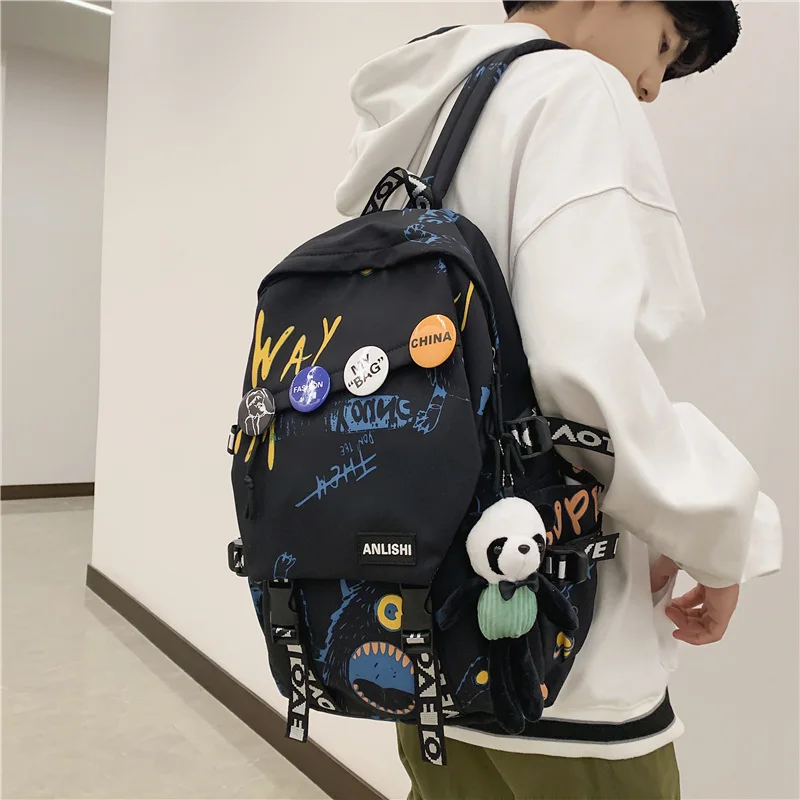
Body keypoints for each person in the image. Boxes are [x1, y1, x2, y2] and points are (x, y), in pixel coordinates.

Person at [334, 3, 783, 798]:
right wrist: (723, 533)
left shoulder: (423, 120)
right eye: (665, 45)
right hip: (559, 661)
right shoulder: (574, 90)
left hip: (421, 635)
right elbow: (582, 373)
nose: (651, 86)